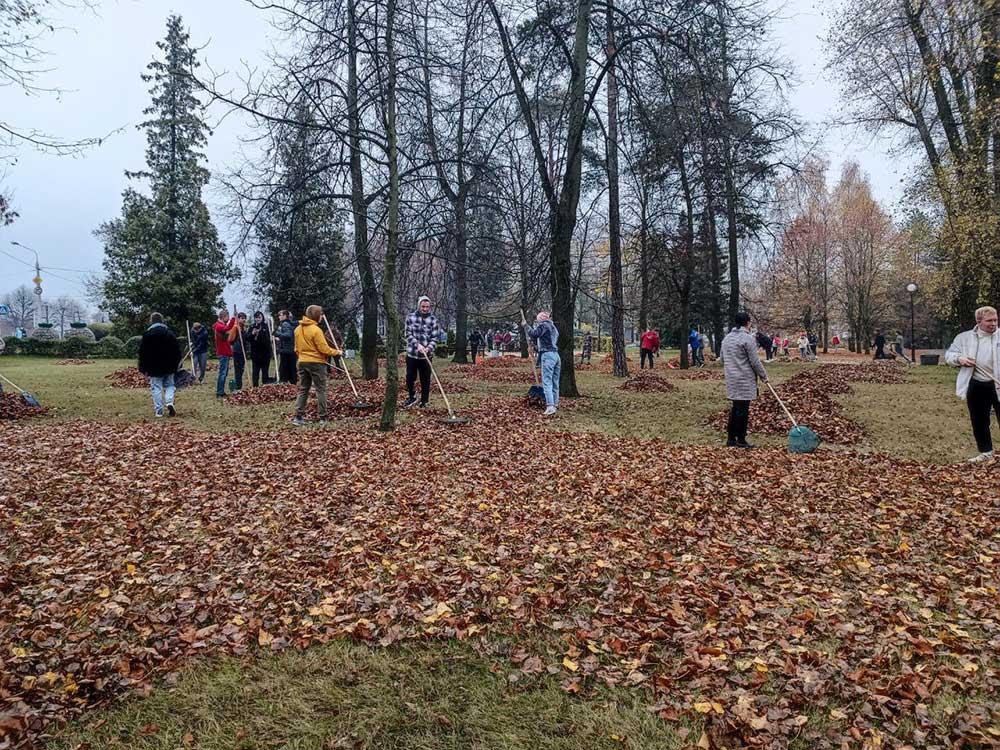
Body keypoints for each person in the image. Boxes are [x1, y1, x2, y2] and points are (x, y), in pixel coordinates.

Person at [945, 305, 1000, 462]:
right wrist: (959, 359)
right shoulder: (964, 338)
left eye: (996, 320)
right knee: (979, 420)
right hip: (976, 385)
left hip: (997, 384)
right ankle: (986, 452)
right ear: (978, 321)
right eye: (989, 320)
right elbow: (950, 355)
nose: (994, 324)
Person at [720, 311, 768, 448]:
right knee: (743, 409)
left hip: (731, 378)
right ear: (747, 323)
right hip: (744, 379)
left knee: (736, 407)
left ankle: (731, 439)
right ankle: (741, 439)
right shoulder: (748, 339)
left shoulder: (727, 338)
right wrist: (764, 376)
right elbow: (755, 362)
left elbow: (722, 359)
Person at [292, 305, 341, 426]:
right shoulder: (316, 330)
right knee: (321, 389)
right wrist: (337, 352)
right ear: (315, 315)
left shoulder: (297, 329)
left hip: (302, 362)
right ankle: (323, 417)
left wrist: (302, 357)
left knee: (304, 389)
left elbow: (296, 348)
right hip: (316, 363)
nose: (321, 316)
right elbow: (324, 349)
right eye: (320, 314)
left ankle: (298, 416)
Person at [137, 312, 182, 418]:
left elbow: (143, 353)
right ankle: (169, 402)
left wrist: (143, 368)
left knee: (156, 387)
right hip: (169, 365)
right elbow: (177, 351)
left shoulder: (147, 335)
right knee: (170, 385)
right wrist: (178, 364)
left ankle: (159, 411)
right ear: (162, 321)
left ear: (151, 321)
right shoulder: (169, 334)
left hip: (154, 366)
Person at [404, 295, 443, 408]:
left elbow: (435, 338)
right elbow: (408, 334)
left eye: (427, 307)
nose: (425, 309)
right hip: (412, 354)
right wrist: (417, 345)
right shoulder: (410, 317)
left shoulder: (433, 320)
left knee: (425, 379)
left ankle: (424, 401)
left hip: (426, 356)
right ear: (419, 306)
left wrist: (428, 348)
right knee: (410, 377)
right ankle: (412, 397)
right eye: (423, 306)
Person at [526, 311, 560, 416]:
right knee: (555, 381)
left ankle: (550, 406)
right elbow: (546, 341)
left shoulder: (544, 325)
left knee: (547, 381)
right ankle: (555, 403)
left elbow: (534, 334)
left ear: (541, 319)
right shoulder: (553, 328)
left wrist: (526, 326)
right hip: (556, 355)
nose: (537, 322)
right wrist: (535, 348)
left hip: (548, 356)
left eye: (538, 320)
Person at [213, 309, 238, 398]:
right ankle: (220, 392)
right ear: (224, 317)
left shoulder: (220, 325)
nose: (228, 319)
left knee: (224, 373)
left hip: (224, 352)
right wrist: (234, 318)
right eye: (227, 317)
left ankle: (221, 391)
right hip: (223, 353)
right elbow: (227, 328)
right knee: (223, 373)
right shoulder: (219, 326)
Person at [249, 311, 273, 387]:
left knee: (265, 372)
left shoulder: (266, 326)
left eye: (259, 317)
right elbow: (247, 338)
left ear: (262, 317)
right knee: (255, 372)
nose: (257, 319)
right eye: (256, 317)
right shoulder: (252, 327)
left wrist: (261, 334)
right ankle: (255, 387)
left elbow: (268, 339)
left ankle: (264, 387)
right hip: (255, 354)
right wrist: (252, 334)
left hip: (265, 354)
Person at [274, 310, 298, 384]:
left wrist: (277, 334)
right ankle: (292, 384)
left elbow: (288, 336)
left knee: (285, 369)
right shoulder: (289, 323)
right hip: (290, 350)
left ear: (285, 316)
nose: (279, 317)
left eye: (280, 315)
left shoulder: (285, 324)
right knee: (291, 369)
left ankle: (286, 384)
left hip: (287, 350)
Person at [228, 312, 250, 390]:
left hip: (243, 351)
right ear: (238, 319)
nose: (244, 320)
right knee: (238, 370)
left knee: (241, 369)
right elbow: (230, 340)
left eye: (244, 318)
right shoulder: (235, 327)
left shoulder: (244, 327)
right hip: (237, 351)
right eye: (242, 318)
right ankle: (238, 386)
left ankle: (239, 385)